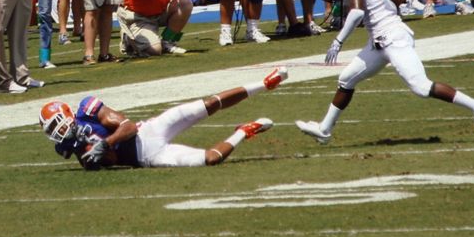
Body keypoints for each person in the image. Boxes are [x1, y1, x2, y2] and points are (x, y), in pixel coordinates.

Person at [295, 0, 474, 144]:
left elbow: (357, 12)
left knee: (421, 86)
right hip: (380, 40)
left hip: (392, 37)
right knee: (346, 79)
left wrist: (338, 41)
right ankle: (324, 129)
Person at [38, 67, 289, 170]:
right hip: (149, 157)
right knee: (210, 160)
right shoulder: (70, 148)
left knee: (209, 104)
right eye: (52, 129)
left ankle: (265, 83)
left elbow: (128, 126)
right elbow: (109, 161)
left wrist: (107, 141)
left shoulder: (88, 109)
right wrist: (86, 147)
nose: (58, 130)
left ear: (68, 113)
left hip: (150, 131)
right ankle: (244, 131)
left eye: (57, 122)